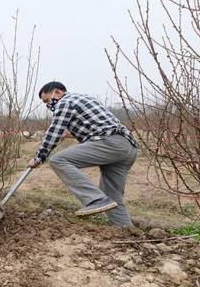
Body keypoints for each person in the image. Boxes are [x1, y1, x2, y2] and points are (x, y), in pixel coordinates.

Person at [28, 81, 138, 226]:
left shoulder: (65, 101)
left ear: (58, 92)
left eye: (47, 100)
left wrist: (38, 157)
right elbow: (95, 126)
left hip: (110, 143)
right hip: (127, 147)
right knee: (112, 197)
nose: (48, 105)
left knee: (58, 160)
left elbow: (53, 131)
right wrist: (67, 134)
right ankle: (126, 232)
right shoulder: (82, 98)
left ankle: (95, 199)